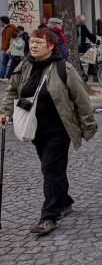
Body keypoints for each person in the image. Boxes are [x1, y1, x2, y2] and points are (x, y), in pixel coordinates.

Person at [0, 28, 96, 235]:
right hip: (36, 130)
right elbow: (12, 91)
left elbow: (82, 101)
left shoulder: (64, 68)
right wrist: (5, 111)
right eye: (32, 42)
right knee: (52, 170)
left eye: (38, 43)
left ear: (50, 46)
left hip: (59, 130)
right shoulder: (25, 66)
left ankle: (48, 216)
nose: (33, 46)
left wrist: (88, 128)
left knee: (50, 170)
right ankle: (65, 201)